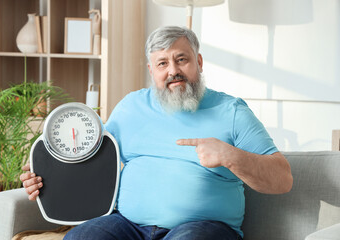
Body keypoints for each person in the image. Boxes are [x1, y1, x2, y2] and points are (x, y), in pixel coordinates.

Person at [20, 26, 293, 240]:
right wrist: (43, 173)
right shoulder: (131, 106)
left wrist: (231, 156)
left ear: (198, 61)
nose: (173, 71)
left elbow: (282, 179)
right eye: (162, 63)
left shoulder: (231, 111)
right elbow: (88, 158)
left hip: (204, 227)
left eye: (181, 59)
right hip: (127, 224)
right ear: (152, 70)